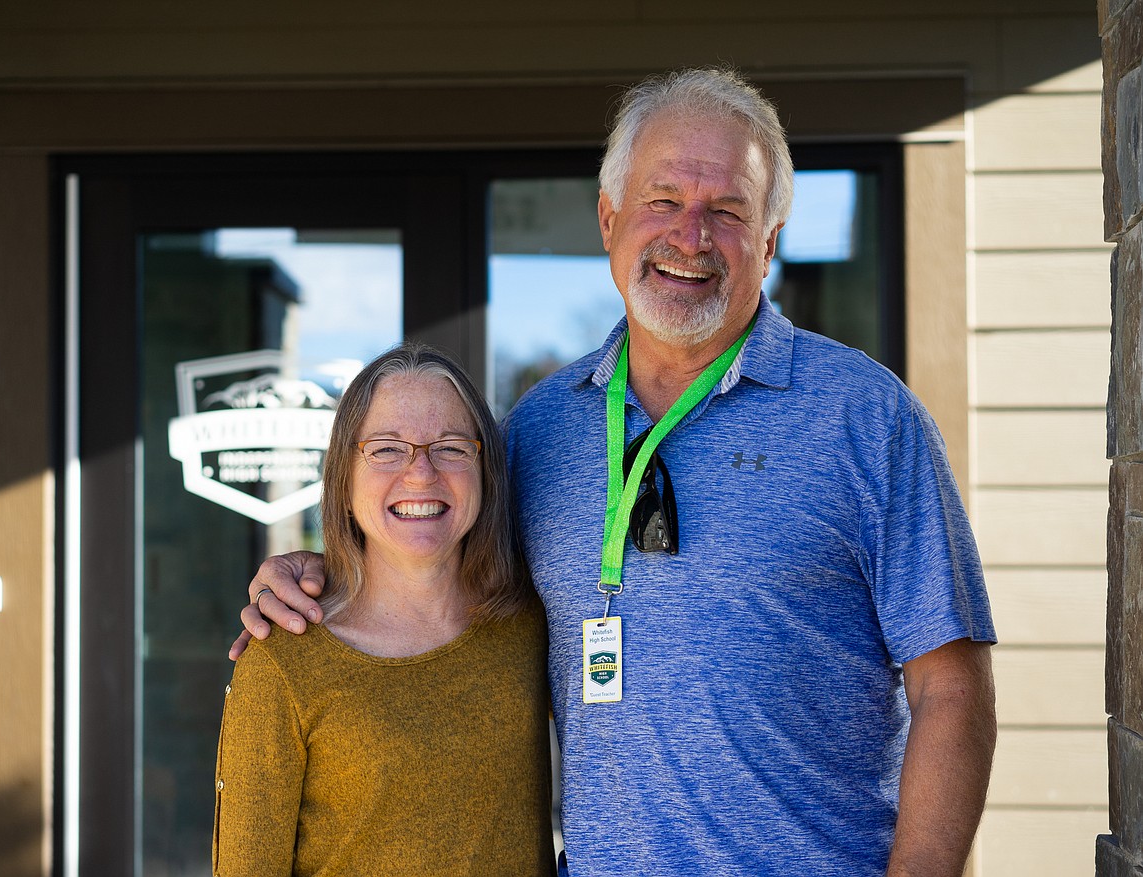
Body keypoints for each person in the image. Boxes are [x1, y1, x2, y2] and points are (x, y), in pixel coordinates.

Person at [235, 67, 997, 877]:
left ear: (770, 241)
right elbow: (432, 556)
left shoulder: (867, 418)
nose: (691, 235)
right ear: (609, 219)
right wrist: (320, 570)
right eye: (662, 201)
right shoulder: (539, 428)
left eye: (729, 211)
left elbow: (954, 689)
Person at [214, 343, 555, 877]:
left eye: (449, 447)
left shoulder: (531, 626)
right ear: (344, 479)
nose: (421, 474)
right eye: (387, 449)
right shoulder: (283, 660)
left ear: (485, 471)